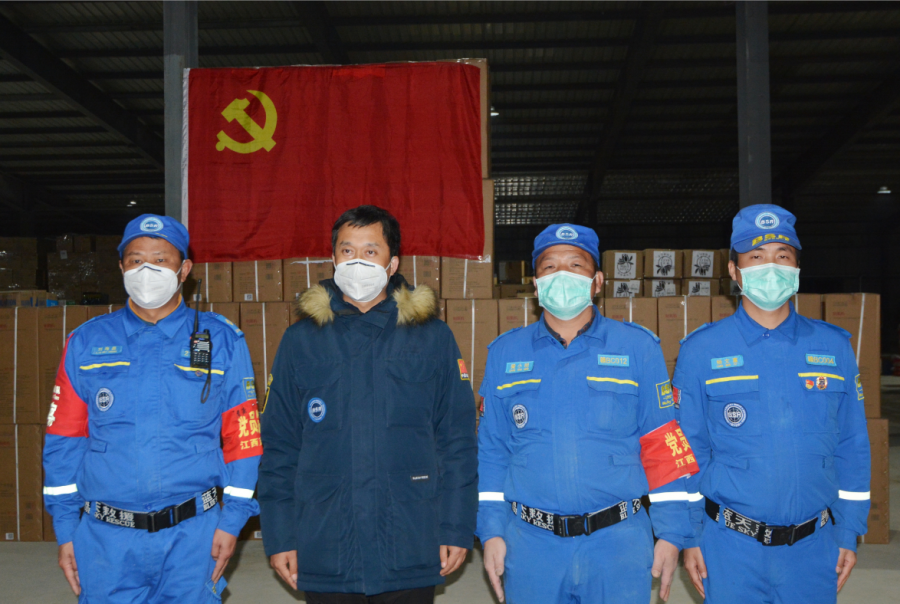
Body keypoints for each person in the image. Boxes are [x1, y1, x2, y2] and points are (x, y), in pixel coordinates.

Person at [257, 205, 477, 604]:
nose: (357, 261)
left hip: (410, 535)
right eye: (347, 250)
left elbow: (457, 440)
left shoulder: (432, 337)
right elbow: (279, 445)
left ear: (392, 263)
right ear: (333, 258)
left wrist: (456, 526)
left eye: (370, 251)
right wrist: (280, 534)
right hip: (326, 540)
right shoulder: (301, 340)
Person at [43, 214, 261, 603]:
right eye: (136, 260)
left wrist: (232, 521)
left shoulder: (222, 340)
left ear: (184, 270)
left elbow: (243, 439)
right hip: (106, 540)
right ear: (122, 267)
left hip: (193, 536)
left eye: (160, 260)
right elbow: (64, 440)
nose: (147, 270)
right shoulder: (86, 342)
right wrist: (65, 528)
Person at [477, 224, 699, 604]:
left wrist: (671, 533)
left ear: (597, 281)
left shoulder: (638, 348)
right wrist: (491, 530)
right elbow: (492, 450)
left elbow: (663, 443)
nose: (562, 275)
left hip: (618, 545)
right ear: (536, 284)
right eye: (549, 267)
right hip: (531, 547)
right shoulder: (505, 353)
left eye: (575, 265)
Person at [676, 204, 871, 603]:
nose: (771, 267)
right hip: (729, 547)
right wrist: (689, 535)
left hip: (814, 547)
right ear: (734, 271)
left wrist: (849, 530)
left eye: (782, 256)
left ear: (797, 267)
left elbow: (852, 444)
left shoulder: (833, 347)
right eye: (756, 257)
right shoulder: (701, 350)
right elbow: (686, 449)